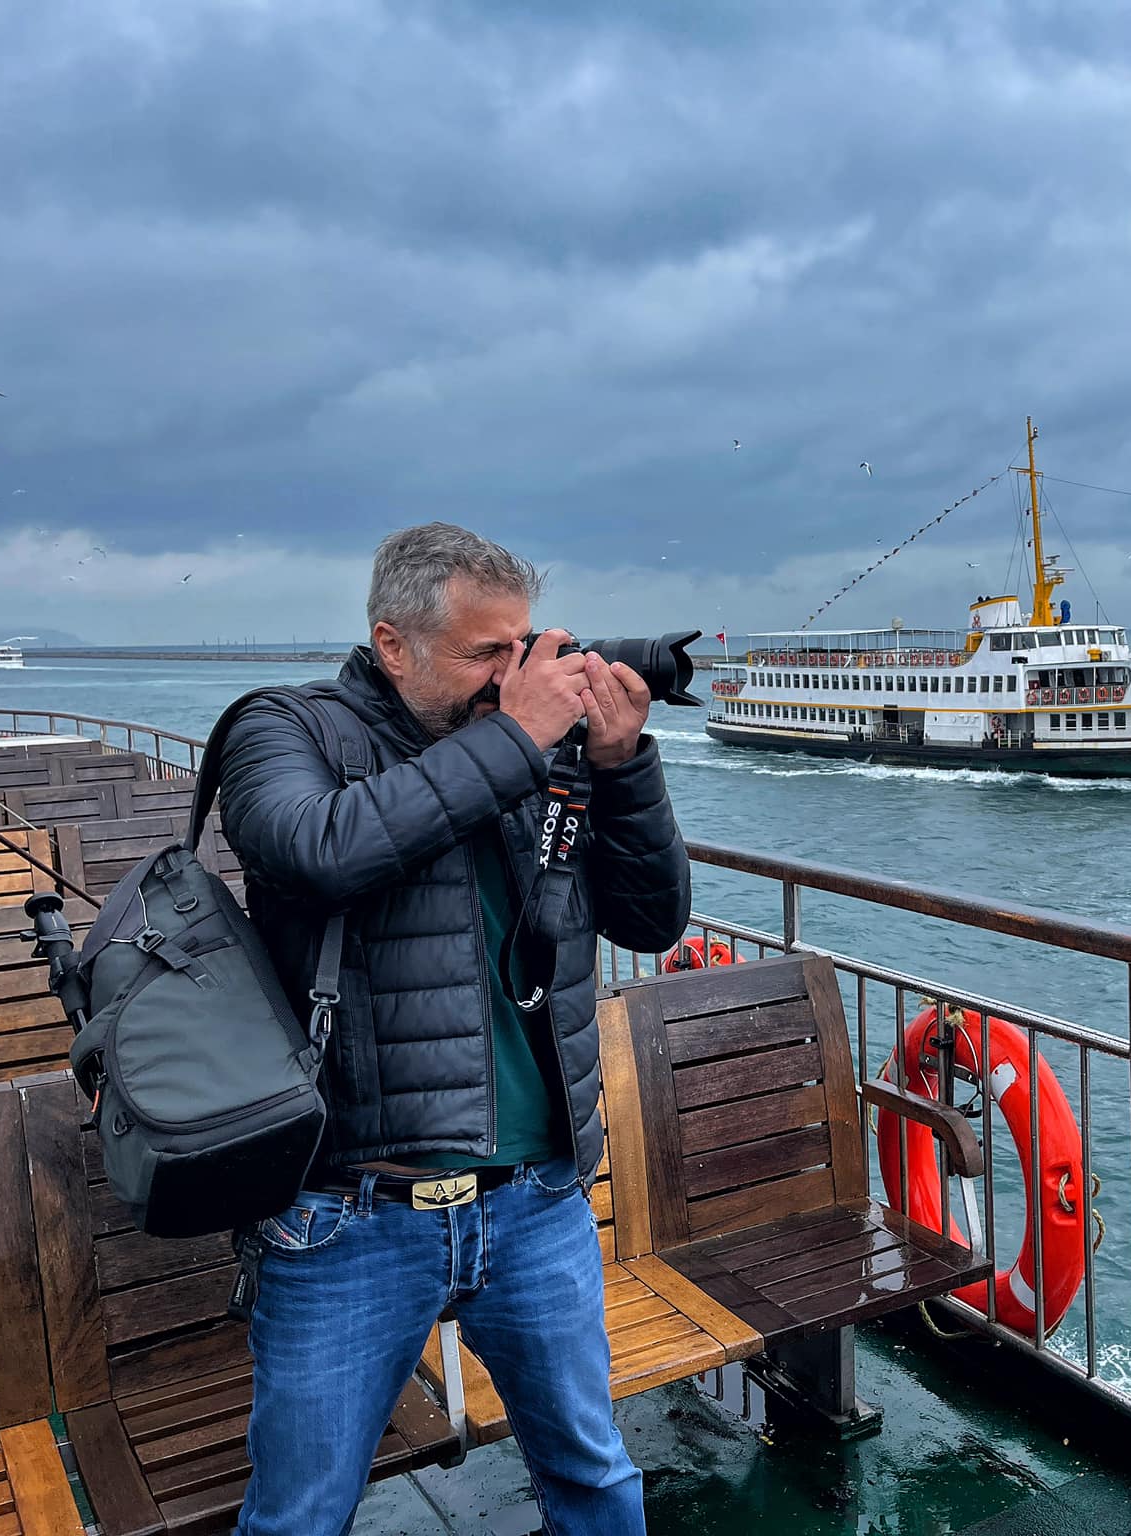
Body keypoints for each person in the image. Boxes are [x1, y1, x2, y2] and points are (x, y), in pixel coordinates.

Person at [217, 523, 690, 1535]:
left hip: (535, 1200)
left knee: (594, 1476)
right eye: (486, 653)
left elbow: (651, 922)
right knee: (300, 1514)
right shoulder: (283, 732)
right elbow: (318, 851)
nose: (508, 674)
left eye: (519, 649)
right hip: (348, 1213)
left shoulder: (530, 751)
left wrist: (619, 764)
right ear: (394, 644)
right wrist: (514, 738)